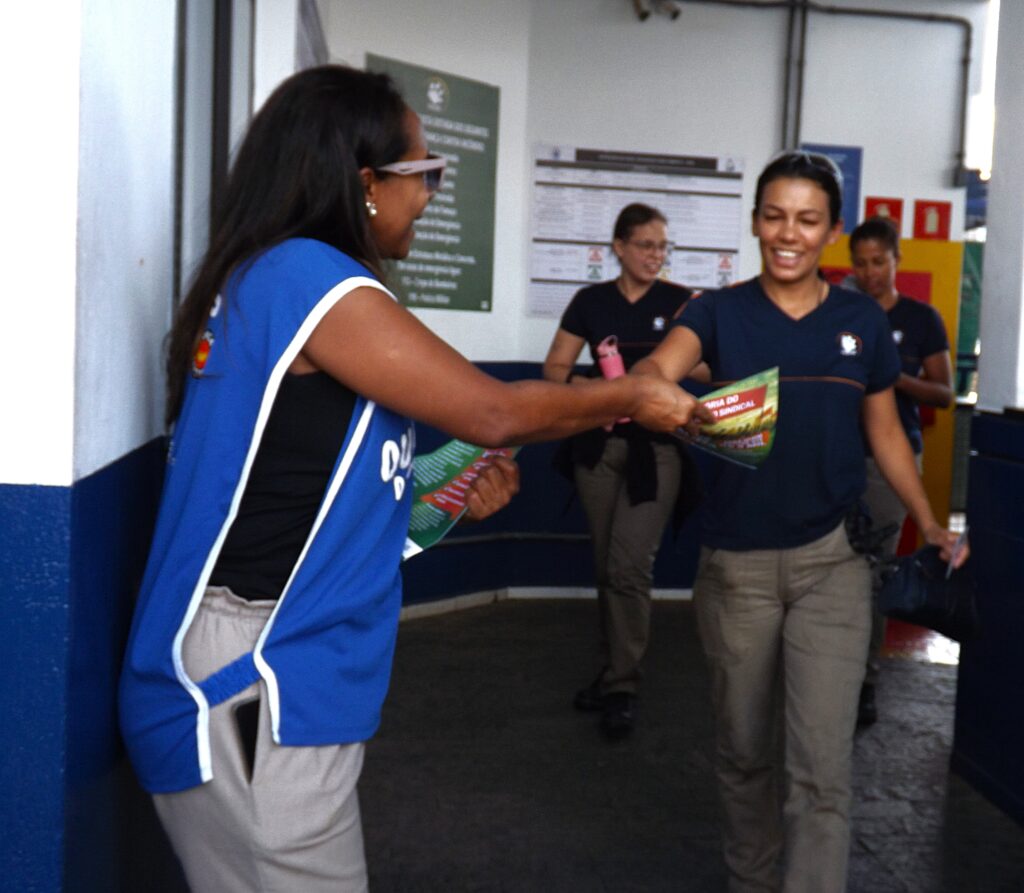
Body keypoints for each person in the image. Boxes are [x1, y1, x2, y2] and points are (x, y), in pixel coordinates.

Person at [117, 65, 708, 893]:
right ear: (366, 183)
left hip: (269, 673)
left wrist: (439, 498)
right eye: (423, 172)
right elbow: (495, 412)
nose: (431, 194)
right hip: (257, 682)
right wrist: (634, 394)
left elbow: (302, 490)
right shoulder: (307, 277)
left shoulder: (271, 276)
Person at [632, 151, 968, 892]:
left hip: (833, 563)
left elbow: (885, 431)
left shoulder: (860, 322)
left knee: (822, 766)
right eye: (775, 216)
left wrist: (932, 522)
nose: (789, 234)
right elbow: (656, 370)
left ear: (832, 230)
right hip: (736, 569)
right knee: (744, 751)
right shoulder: (715, 312)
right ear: (756, 222)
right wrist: (659, 391)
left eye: (808, 220)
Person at [542, 203, 701, 739]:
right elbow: (554, 369)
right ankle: (613, 669)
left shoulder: (680, 303)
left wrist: (668, 375)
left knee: (630, 566)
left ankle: (623, 685)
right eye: (646, 245)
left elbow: (705, 364)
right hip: (599, 448)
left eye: (663, 247)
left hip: (656, 453)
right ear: (619, 247)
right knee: (607, 566)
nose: (656, 256)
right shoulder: (590, 302)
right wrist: (594, 390)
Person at [848, 215, 953, 727]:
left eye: (879, 262)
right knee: (830, 573)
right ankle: (829, 675)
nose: (871, 273)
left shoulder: (921, 318)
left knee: (874, 573)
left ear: (897, 260)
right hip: (838, 456)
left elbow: (945, 393)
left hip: (891, 460)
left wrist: (893, 377)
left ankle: (865, 682)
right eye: (861, 264)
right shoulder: (841, 313)